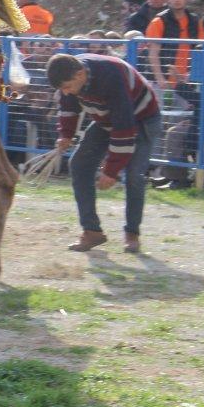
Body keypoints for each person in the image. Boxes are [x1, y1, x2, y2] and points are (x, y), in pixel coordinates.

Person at [48, 52, 160, 255]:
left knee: (134, 175)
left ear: (80, 74)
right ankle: (92, 231)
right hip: (106, 119)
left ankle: (132, 234)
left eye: (67, 87)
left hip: (141, 119)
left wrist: (111, 170)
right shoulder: (69, 76)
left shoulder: (111, 77)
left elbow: (124, 128)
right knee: (79, 165)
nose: (66, 92)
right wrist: (66, 134)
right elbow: (68, 108)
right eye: (61, 89)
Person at [145, 0, 204, 89]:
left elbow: (201, 50)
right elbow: (153, 54)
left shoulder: (196, 22)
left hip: (187, 82)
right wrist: (160, 79)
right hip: (162, 83)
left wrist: (192, 74)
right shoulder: (159, 21)